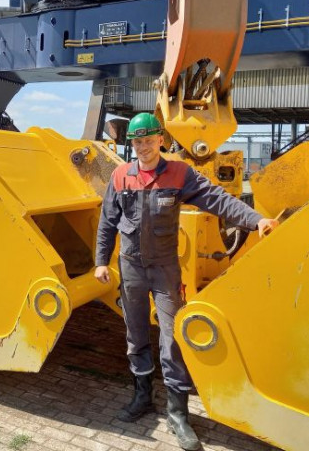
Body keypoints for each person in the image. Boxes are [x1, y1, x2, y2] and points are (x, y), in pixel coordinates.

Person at [94, 113, 278, 451]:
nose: (143, 147)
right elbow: (108, 222)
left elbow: (217, 199)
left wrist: (256, 220)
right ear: (132, 144)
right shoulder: (120, 176)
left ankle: (177, 413)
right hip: (131, 268)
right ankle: (142, 397)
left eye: (149, 140)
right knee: (135, 334)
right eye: (138, 141)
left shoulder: (179, 173)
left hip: (165, 269)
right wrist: (100, 262)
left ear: (160, 140)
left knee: (173, 337)